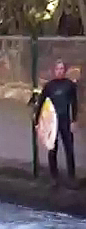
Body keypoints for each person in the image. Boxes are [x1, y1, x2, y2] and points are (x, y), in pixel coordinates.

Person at [34, 59, 78, 187]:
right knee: (52, 148)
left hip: (65, 121)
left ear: (65, 71)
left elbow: (74, 103)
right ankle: (54, 177)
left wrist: (74, 120)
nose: (59, 71)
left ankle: (71, 177)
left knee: (69, 148)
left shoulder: (69, 85)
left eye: (61, 69)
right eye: (57, 69)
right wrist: (37, 122)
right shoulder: (49, 86)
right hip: (52, 122)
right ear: (54, 71)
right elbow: (41, 103)